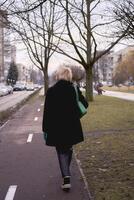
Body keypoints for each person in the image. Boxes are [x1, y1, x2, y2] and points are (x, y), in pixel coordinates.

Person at [42, 66, 88, 191]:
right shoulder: (74, 89)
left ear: (58, 75)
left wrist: (45, 128)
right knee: (68, 148)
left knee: (61, 151)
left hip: (56, 127)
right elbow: (85, 104)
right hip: (72, 125)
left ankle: (66, 177)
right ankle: (65, 173)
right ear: (69, 76)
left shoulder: (51, 91)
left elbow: (47, 112)